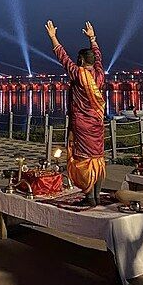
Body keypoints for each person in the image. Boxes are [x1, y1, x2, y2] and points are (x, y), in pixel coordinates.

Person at [45, 20, 106, 206]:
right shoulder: (100, 74)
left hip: (81, 124)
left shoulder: (79, 74)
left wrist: (53, 37)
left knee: (83, 158)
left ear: (80, 61)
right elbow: (98, 57)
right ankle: (96, 195)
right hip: (97, 123)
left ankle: (88, 196)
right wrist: (92, 39)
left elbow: (63, 58)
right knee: (97, 158)